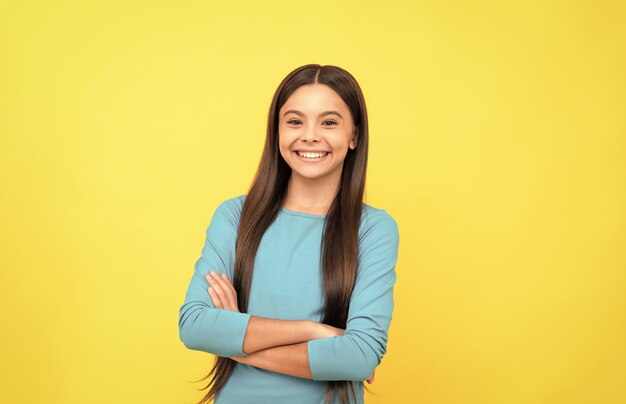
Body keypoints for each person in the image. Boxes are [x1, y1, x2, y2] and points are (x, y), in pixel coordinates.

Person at [178, 64, 400, 404]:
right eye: (295, 121)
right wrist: (313, 331)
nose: (310, 135)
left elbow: (359, 356)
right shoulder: (235, 216)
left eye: (329, 122)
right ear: (276, 132)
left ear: (354, 135)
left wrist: (238, 337)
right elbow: (195, 326)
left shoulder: (373, 229)